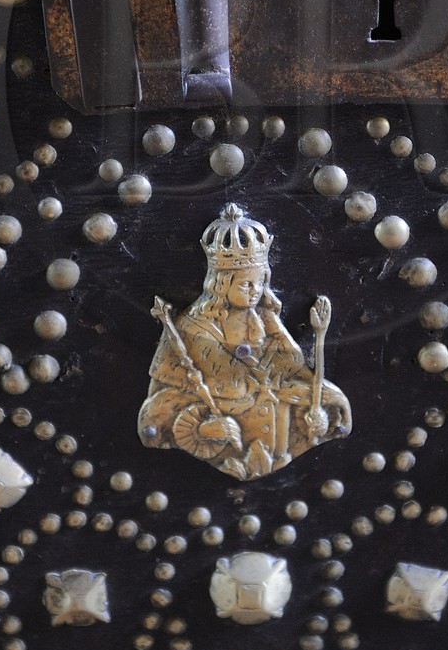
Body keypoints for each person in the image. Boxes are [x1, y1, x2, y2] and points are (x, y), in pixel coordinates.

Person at [138, 204, 351, 481]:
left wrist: (319, 414)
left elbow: (297, 380)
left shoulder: (268, 323)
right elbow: (157, 413)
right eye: (245, 285)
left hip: (283, 451)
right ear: (222, 284)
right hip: (213, 462)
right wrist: (204, 429)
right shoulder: (189, 331)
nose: (255, 292)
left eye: (259, 283)